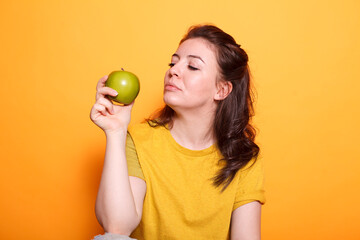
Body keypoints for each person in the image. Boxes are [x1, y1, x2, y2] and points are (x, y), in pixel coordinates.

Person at [90, 24, 265, 240]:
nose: (173, 70)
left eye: (192, 67)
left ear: (221, 90)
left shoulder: (243, 158)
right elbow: (116, 229)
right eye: (173, 63)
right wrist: (116, 132)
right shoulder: (138, 140)